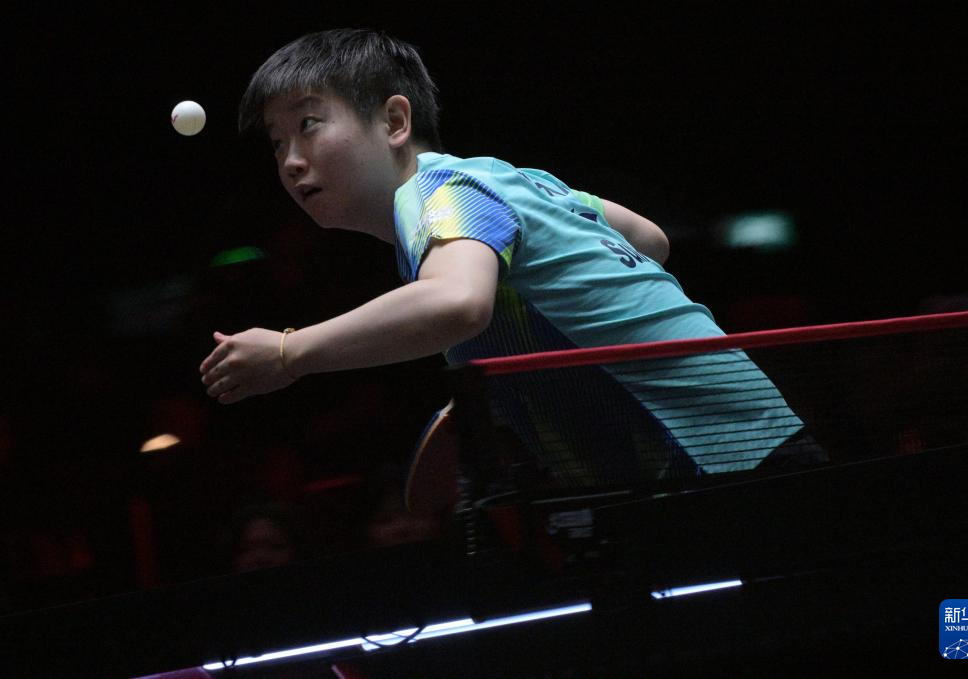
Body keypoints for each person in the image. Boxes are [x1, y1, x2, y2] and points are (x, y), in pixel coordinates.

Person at [199, 29, 810, 487]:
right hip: (758, 447)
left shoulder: (438, 192)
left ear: (394, 121)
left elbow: (456, 303)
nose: (290, 161)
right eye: (277, 143)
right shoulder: (514, 180)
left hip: (729, 469)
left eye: (309, 124)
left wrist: (290, 354)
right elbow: (649, 239)